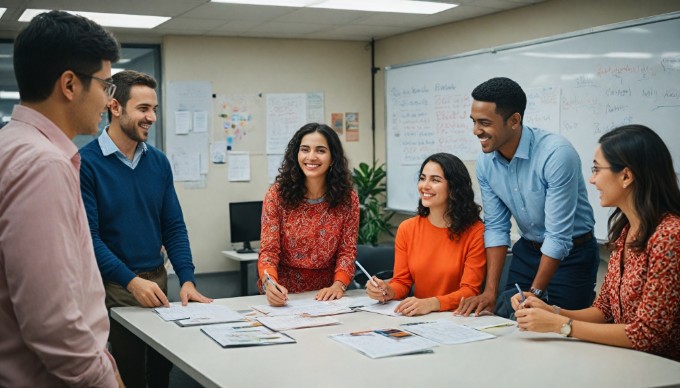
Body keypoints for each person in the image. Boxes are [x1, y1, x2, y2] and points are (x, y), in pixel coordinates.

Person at [0, 11, 123, 387]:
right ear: (69, 84)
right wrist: (104, 379)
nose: (108, 102)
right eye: (105, 86)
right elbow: (51, 321)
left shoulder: (12, 144)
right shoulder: (43, 165)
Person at [79, 70, 212, 387]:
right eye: (143, 109)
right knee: (130, 371)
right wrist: (131, 281)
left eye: (153, 109)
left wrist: (188, 279)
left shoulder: (158, 162)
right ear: (115, 107)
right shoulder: (86, 163)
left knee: (161, 369)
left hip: (157, 279)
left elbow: (173, 227)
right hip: (115, 286)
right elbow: (90, 240)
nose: (151, 117)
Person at [512, 124, 680, 361]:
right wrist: (550, 311)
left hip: (663, 370)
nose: (591, 180)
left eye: (597, 170)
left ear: (626, 176)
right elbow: (604, 310)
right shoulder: (626, 232)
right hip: (630, 363)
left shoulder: (669, 236)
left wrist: (561, 325)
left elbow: (647, 334)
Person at [456, 77, 599, 318]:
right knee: (509, 323)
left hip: (572, 255)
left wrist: (536, 292)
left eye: (484, 123)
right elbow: (496, 227)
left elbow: (558, 236)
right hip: (528, 252)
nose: (476, 131)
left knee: (561, 333)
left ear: (514, 120)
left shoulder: (556, 154)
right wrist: (490, 292)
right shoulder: (485, 163)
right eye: (473, 122)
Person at [365, 153, 486, 316]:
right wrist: (387, 291)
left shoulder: (476, 232)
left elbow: (470, 291)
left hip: (458, 317)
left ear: (454, 188)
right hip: (419, 317)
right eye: (422, 178)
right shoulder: (407, 228)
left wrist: (432, 303)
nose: (425, 186)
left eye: (435, 180)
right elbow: (402, 282)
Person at [258, 123, 359, 306]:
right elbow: (268, 251)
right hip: (284, 295)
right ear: (297, 154)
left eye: (320, 150)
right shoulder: (276, 195)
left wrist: (338, 286)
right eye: (305, 149)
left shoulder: (347, 199)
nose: (311, 157)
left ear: (333, 158)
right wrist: (270, 283)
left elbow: (347, 251)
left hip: (327, 296)